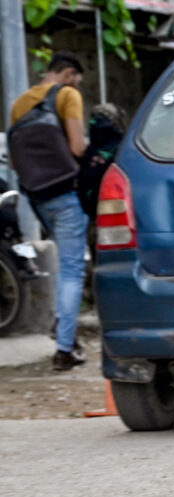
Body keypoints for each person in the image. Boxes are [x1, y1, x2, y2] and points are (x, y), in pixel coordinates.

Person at [9, 53, 89, 370]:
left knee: (64, 263)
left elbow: (16, 162)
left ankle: (63, 325)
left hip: (38, 196)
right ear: (68, 73)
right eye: (77, 79)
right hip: (67, 192)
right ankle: (65, 348)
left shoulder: (19, 103)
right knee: (72, 269)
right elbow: (77, 148)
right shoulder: (67, 94)